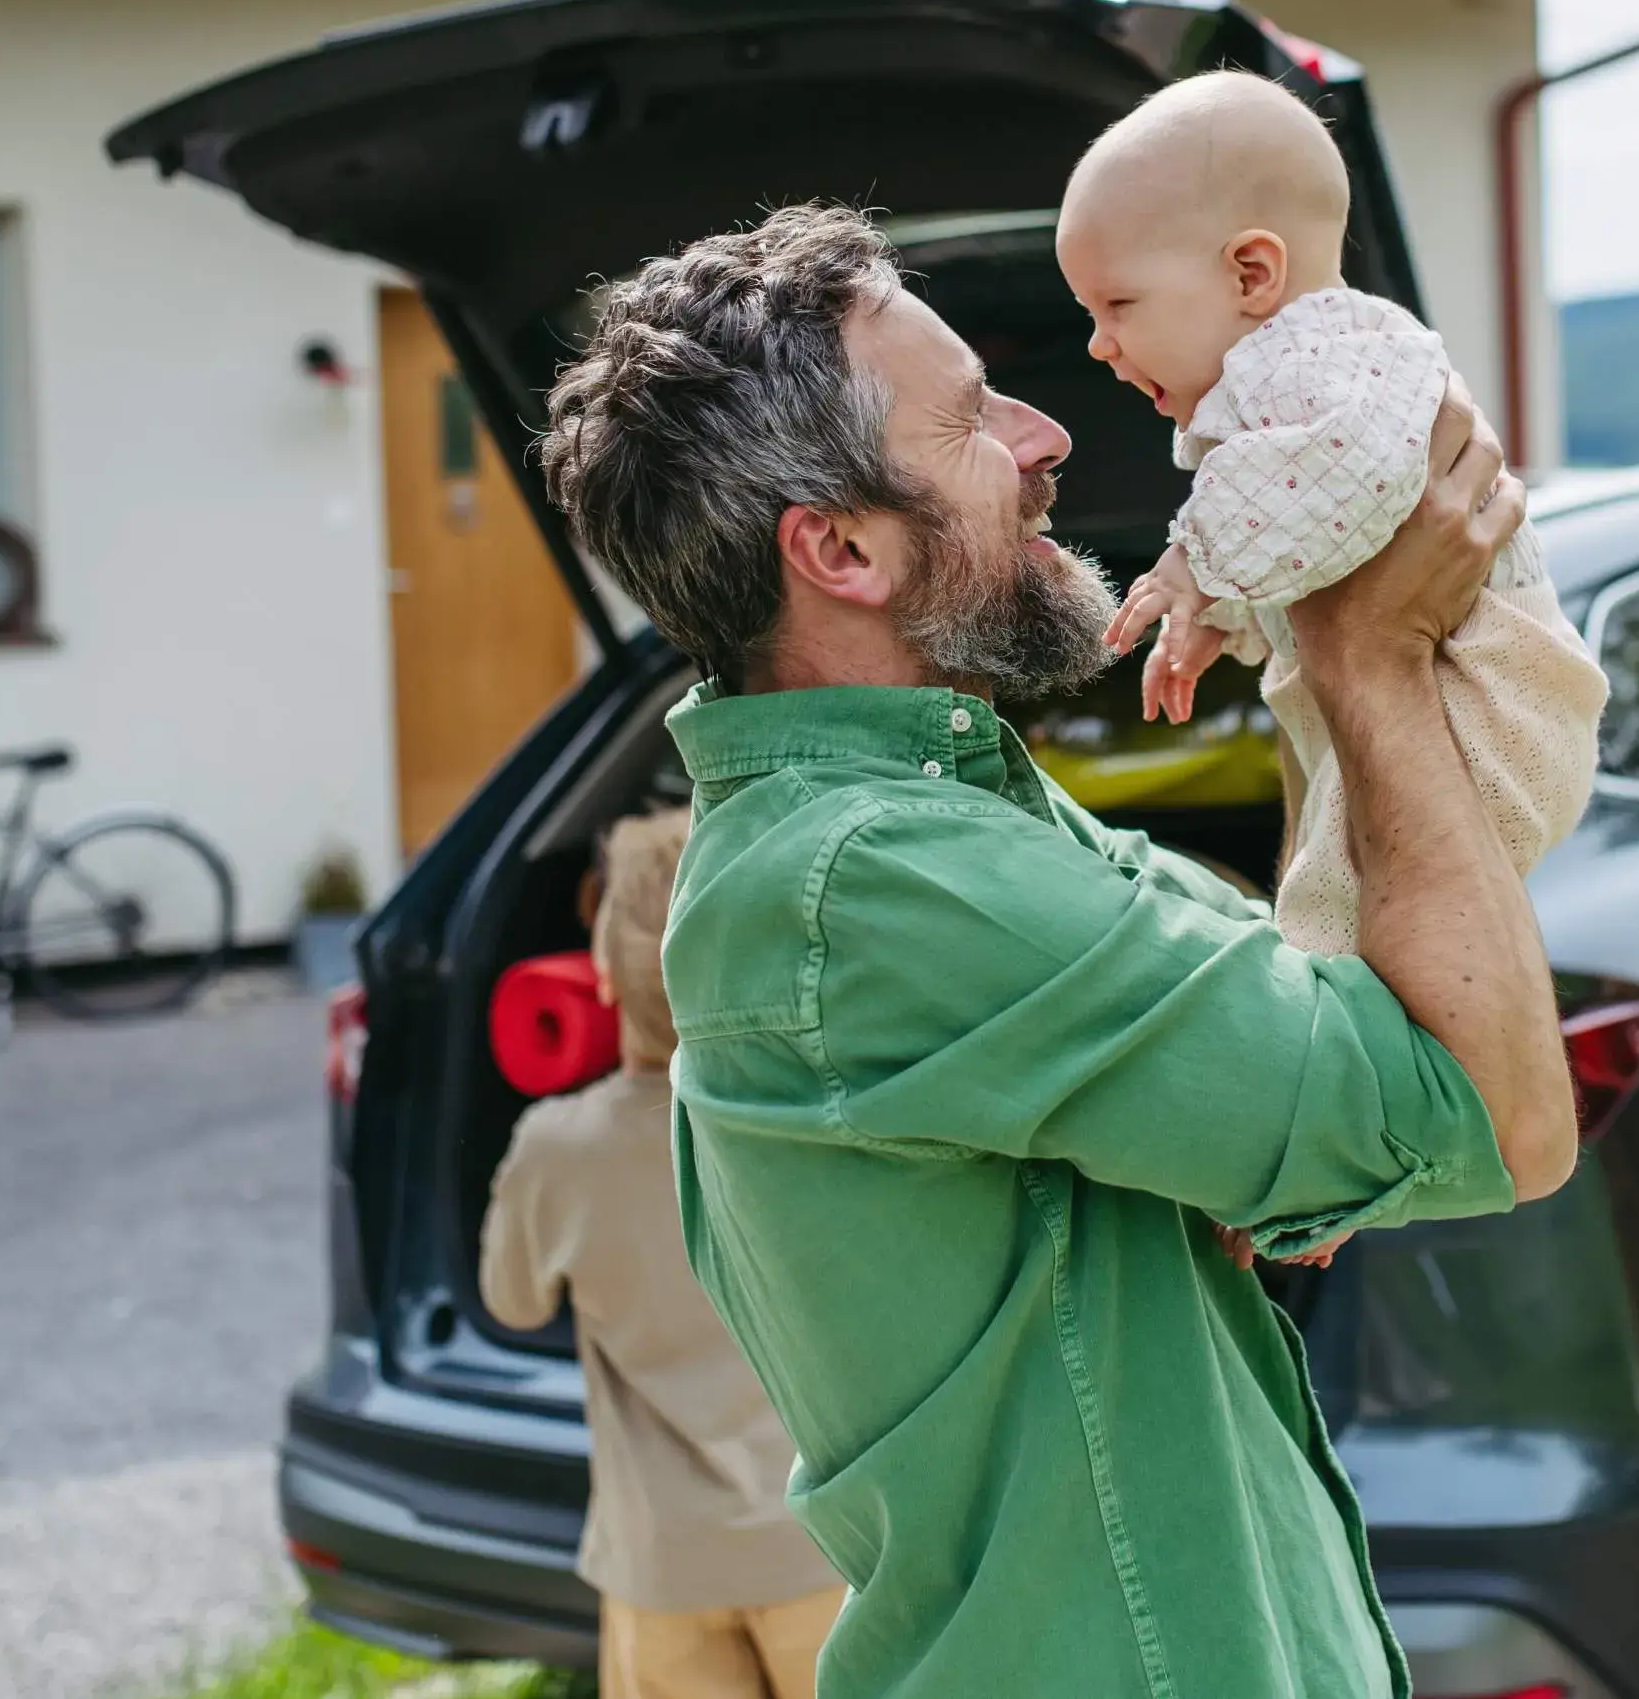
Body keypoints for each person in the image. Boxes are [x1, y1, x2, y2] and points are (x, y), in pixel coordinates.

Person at [535, 202, 1573, 1699]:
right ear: (839, 549)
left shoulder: (958, 831)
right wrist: (1366, 653)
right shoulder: (876, 884)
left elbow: (1348, 1042)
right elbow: (1497, 1114)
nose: (1041, 437)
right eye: (969, 419)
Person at [1053, 70, 1609, 954]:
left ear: (1251, 271)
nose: (1097, 342)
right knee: (1344, 888)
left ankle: (1325, 1029)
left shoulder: (1331, 356)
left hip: (1489, 704)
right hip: (1442, 705)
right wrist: (1223, 615)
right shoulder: (1275, 382)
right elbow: (1315, 535)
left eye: (1117, 304)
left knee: (1337, 921)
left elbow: (1347, 478)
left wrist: (1193, 567)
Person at [478, 805, 848, 1699]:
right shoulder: (814, 1119)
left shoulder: (554, 1149)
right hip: (821, 1546)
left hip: (663, 1563)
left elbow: (512, 1303)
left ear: (600, 976)